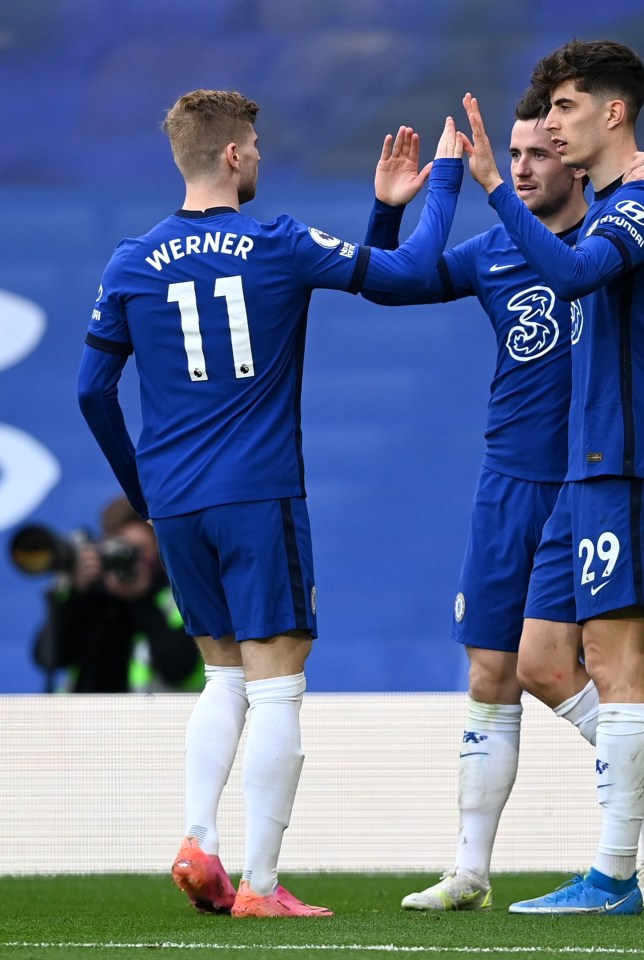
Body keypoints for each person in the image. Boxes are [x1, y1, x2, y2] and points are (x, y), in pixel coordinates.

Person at [78, 89, 464, 918]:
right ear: (230, 156)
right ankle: (259, 884)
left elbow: (92, 391)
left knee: (222, 677)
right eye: (252, 143)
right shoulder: (276, 240)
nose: (258, 154)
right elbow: (406, 280)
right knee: (279, 685)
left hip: (177, 506)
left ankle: (200, 841)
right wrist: (441, 186)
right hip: (258, 494)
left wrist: (143, 494)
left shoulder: (131, 260)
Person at [364, 87, 644, 912]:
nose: (529, 165)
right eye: (520, 153)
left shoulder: (614, 238)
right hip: (512, 480)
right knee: (500, 668)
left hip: (593, 468)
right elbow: (393, 282)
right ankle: (471, 869)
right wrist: (401, 209)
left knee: (608, 666)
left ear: (574, 155)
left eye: (543, 149)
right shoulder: (498, 251)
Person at [461, 40, 644, 916]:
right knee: (543, 659)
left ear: (612, 113)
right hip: (584, 465)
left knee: (616, 660)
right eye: (547, 111)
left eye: (564, 109)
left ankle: (614, 874)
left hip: (629, 456)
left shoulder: (636, 211)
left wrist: (489, 189)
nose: (549, 127)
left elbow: (575, 272)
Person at [28, 495, 203, 693]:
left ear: (159, 551)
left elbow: (180, 670)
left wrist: (142, 599)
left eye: (139, 551)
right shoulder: (92, 594)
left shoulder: (178, 597)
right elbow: (47, 658)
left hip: (147, 720)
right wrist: (75, 596)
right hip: (80, 719)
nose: (127, 558)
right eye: (119, 548)